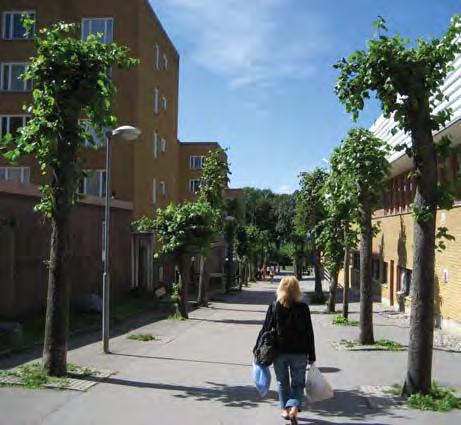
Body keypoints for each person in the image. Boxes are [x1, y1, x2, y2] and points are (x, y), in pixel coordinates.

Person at [255, 276, 316, 424]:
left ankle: (285, 409)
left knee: (282, 382)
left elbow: (265, 329)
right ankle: (294, 407)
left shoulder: (274, 306)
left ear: (281, 289)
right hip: (300, 352)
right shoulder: (303, 308)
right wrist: (312, 355)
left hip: (279, 352)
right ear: (297, 290)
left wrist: (257, 348)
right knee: (298, 383)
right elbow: (309, 332)